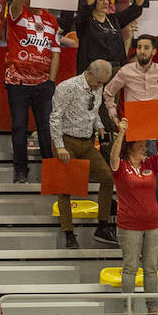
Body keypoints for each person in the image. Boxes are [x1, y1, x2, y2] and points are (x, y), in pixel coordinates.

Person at [110, 115, 158, 315]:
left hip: (153, 223)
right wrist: (121, 132)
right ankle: (127, 309)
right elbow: (112, 156)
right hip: (129, 225)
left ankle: (152, 309)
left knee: (150, 267)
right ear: (129, 148)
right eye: (140, 145)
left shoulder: (151, 165)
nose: (144, 148)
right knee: (130, 267)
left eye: (144, 145)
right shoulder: (120, 167)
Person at [51, 59, 117, 247]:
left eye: (103, 83)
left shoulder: (96, 87)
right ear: (88, 74)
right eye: (98, 82)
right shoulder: (67, 87)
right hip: (66, 140)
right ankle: (68, 232)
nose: (100, 86)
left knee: (107, 178)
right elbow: (55, 117)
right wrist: (59, 146)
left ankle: (102, 225)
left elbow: (93, 111)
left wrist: (100, 127)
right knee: (66, 188)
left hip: (86, 141)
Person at [5, 0, 62, 183]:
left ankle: (50, 171)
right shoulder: (18, 15)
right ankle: (21, 171)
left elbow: (55, 53)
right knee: (19, 126)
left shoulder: (52, 21)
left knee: (46, 129)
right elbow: (15, 4)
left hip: (43, 84)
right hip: (17, 81)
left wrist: (51, 81)